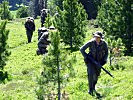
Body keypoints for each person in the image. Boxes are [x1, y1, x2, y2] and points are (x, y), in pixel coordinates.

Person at [80, 31, 108, 96]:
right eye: (95, 37)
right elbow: (82, 49)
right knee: (91, 74)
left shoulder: (104, 44)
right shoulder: (91, 42)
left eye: (98, 37)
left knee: (96, 75)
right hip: (90, 61)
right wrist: (87, 57)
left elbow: (106, 52)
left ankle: (93, 87)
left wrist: (104, 60)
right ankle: (90, 90)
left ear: (101, 38)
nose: (96, 38)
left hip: (99, 62)